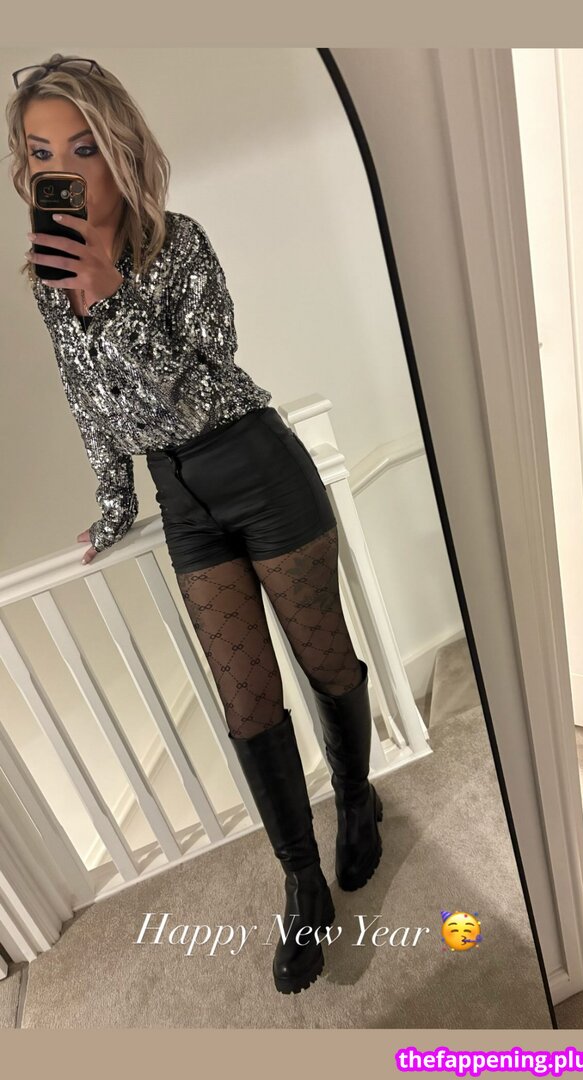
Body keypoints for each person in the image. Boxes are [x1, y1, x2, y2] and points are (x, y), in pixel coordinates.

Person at [6, 53, 383, 995]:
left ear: (119, 146)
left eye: (83, 147)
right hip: (183, 501)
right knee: (247, 704)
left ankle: (358, 798)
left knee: (326, 660)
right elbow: (89, 402)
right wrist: (114, 502)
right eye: (40, 152)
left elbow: (210, 378)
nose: (62, 169)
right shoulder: (48, 280)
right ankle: (302, 882)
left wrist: (112, 292)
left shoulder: (180, 245)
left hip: (255, 464)